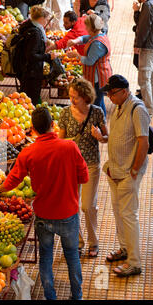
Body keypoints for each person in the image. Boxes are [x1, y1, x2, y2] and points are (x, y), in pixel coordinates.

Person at [0, 107, 89, 300]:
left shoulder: (28, 153)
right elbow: (84, 177)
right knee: (72, 256)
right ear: (53, 125)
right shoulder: (70, 147)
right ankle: (77, 296)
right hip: (68, 214)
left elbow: (12, 181)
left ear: (33, 129)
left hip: (43, 214)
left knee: (46, 256)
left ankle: (50, 296)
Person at [98, 74, 150, 277]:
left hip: (128, 173)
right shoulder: (119, 107)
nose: (109, 96)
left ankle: (134, 262)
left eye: (112, 93)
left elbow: (143, 143)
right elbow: (119, 137)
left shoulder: (138, 110)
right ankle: (125, 249)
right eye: (108, 93)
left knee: (129, 216)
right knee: (119, 213)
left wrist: (134, 172)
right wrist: (104, 139)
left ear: (125, 92)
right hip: (115, 170)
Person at [58, 78, 108, 258]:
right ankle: (77, 242)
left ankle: (94, 242)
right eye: (70, 96)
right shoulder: (64, 113)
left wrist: (100, 136)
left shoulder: (96, 112)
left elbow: (106, 137)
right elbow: (60, 140)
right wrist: (67, 143)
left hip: (91, 165)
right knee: (72, 206)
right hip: (70, 165)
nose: (72, 100)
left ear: (86, 97)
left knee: (88, 206)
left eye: (76, 97)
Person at [66, 14, 112, 116]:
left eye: (87, 26)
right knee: (99, 102)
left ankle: (98, 124)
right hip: (100, 74)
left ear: (92, 28)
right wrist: (75, 41)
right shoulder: (99, 35)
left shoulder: (97, 44)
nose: (85, 28)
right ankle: (101, 123)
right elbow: (85, 38)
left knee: (96, 103)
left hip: (98, 77)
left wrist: (77, 55)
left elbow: (89, 61)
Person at [14, 6, 59, 105]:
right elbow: (31, 56)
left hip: (25, 70)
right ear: (42, 18)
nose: (47, 21)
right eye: (47, 19)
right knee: (30, 101)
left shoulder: (29, 27)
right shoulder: (36, 34)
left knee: (25, 98)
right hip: (32, 73)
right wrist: (48, 57)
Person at [133, 0, 153, 117]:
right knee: (151, 75)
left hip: (148, 46)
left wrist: (137, 45)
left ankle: (148, 109)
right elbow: (141, 22)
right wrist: (137, 12)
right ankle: (151, 105)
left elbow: (142, 28)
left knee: (144, 78)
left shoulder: (148, 5)